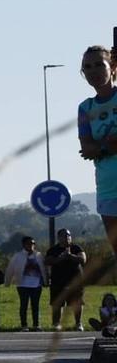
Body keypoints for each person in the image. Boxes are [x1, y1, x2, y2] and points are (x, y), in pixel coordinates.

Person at [78, 45, 117, 272]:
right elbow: (86, 148)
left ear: (111, 67)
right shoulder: (86, 108)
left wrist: (100, 147)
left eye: (98, 65)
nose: (93, 71)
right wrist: (108, 144)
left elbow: (95, 147)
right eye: (87, 67)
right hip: (107, 188)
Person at [47, 230, 87, 330]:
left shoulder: (76, 248)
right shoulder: (53, 249)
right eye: (64, 236)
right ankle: (56, 324)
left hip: (75, 280)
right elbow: (47, 261)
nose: (66, 238)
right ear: (59, 237)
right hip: (58, 281)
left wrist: (70, 256)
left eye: (68, 235)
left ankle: (78, 324)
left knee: (77, 302)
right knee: (57, 303)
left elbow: (83, 259)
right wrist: (60, 258)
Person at [5, 236, 45, 331]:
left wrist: (46, 280)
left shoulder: (39, 255)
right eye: (28, 243)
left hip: (36, 284)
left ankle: (36, 325)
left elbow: (44, 269)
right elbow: (10, 269)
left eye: (33, 243)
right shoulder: (18, 256)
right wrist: (7, 281)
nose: (31, 245)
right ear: (23, 245)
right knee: (24, 305)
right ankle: (24, 325)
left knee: (35, 305)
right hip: (22, 284)